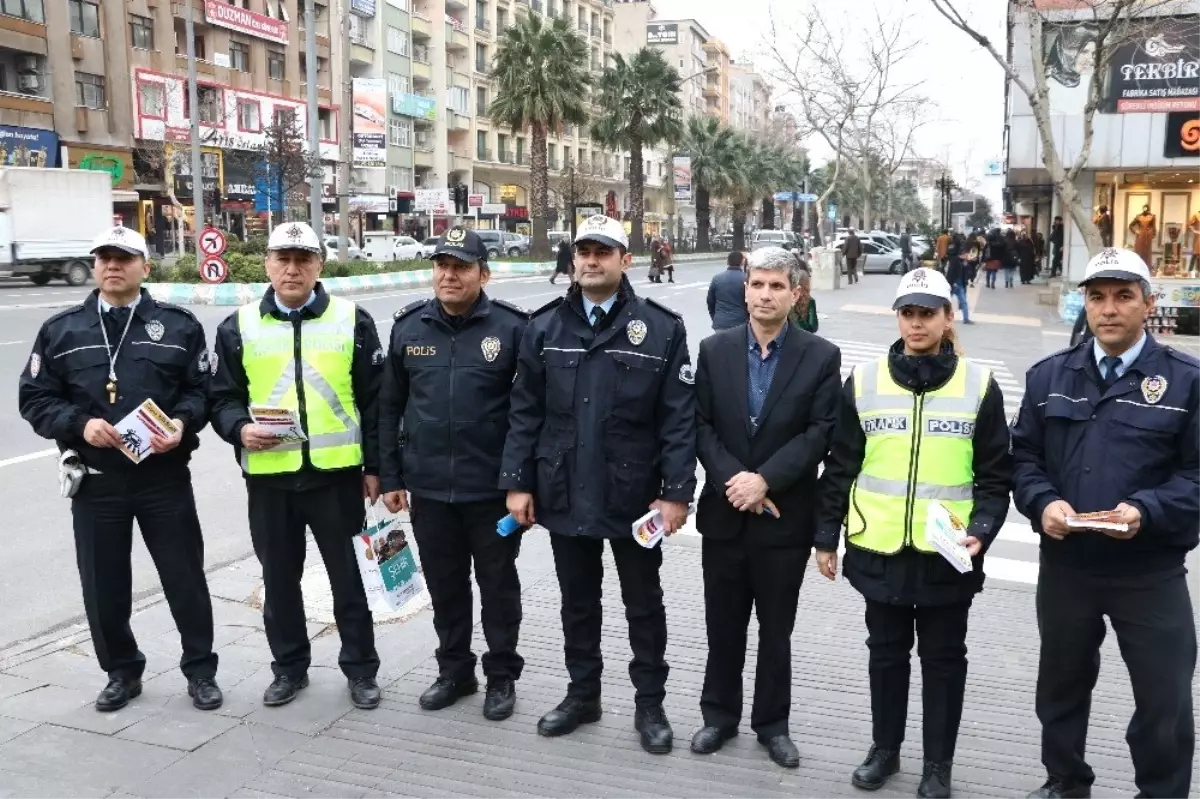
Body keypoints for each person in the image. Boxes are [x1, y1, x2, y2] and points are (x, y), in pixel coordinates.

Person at [499, 214, 696, 754]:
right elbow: (525, 412)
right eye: (583, 250)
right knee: (577, 602)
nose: (590, 260)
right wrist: (516, 484)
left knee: (643, 603)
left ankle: (649, 704)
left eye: (602, 251)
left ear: (624, 260)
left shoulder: (660, 327)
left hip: (634, 496)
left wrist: (678, 492)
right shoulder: (544, 327)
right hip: (563, 488)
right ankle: (583, 694)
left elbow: (678, 418)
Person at [815, 267, 1012, 799]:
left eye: (928, 313)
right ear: (897, 317)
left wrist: (984, 530)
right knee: (885, 654)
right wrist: (825, 536)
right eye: (909, 312)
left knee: (944, 661)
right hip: (878, 547)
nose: (917, 322)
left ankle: (937, 764)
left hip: (947, 553)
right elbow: (841, 465)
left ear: (948, 318)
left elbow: (996, 476)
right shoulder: (866, 379)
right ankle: (885, 749)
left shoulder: (979, 385)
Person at [1012, 247, 1200, 799]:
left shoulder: (1186, 382)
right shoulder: (1049, 376)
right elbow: (1023, 458)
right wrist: (1043, 503)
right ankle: (1065, 781)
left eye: (1123, 296)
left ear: (1148, 304)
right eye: (1097, 297)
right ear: (1085, 305)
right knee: (1062, 687)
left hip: (1150, 570)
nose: (1109, 309)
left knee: (1165, 697)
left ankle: (1161, 792)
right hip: (1069, 567)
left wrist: (1147, 510)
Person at [18, 226, 222, 713]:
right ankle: (121, 672)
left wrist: (182, 421)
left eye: (124, 257)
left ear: (144, 267)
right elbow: (35, 398)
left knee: (185, 578)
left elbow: (203, 391)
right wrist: (79, 424)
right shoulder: (63, 330)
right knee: (103, 585)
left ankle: (200, 671)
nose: (113, 265)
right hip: (96, 482)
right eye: (104, 257)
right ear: (94, 266)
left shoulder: (178, 326)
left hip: (163, 479)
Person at [210, 222, 384, 711]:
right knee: (279, 581)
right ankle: (289, 669)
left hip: (337, 477)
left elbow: (376, 403)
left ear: (319, 266)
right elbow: (220, 397)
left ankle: (361, 669)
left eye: (303, 259)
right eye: (283, 259)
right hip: (270, 480)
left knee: (349, 579)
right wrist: (239, 429)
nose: (292, 268)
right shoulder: (238, 326)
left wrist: (377, 469)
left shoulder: (353, 320)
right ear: (267, 264)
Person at [690, 247, 841, 769]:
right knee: (722, 624)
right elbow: (700, 426)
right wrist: (735, 480)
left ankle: (773, 724)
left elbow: (820, 433)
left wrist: (765, 480)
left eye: (777, 286)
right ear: (745, 289)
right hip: (725, 513)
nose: (765, 294)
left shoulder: (821, 356)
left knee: (777, 629)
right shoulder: (714, 350)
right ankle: (718, 716)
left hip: (784, 517)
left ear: (796, 295)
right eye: (757, 284)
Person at [379, 226, 529, 721]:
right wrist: (391, 475)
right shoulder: (410, 327)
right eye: (442, 265)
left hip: (490, 491)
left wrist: (520, 482)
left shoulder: (512, 329)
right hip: (428, 489)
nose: (449, 275)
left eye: (461, 266)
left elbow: (530, 413)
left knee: (498, 587)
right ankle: (454, 671)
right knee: (445, 586)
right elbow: (390, 407)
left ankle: (501, 676)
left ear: (483, 274)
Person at [707, 251, 749, 331]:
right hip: (741, 323)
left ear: (728, 261)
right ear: (742, 262)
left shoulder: (717, 278)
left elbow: (710, 302)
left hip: (721, 323)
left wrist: (716, 317)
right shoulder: (746, 279)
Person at [945, 246, 974, 325]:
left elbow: (969, 274)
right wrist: (951, 283)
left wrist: (967, 265)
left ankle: (966, 319)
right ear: (962, 254)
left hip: (960, 285)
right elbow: (950, 273)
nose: (968, 256)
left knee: (964, 302)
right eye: (967, 254)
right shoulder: (955, 261)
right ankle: (942, 318)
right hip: (953, 284)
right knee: (946, 302)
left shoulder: (964, 262)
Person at [787, 266, 819, 333]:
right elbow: (813, 327)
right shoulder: (810, 301)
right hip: (804, 338)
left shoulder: (787, 298)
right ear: (807, 284)